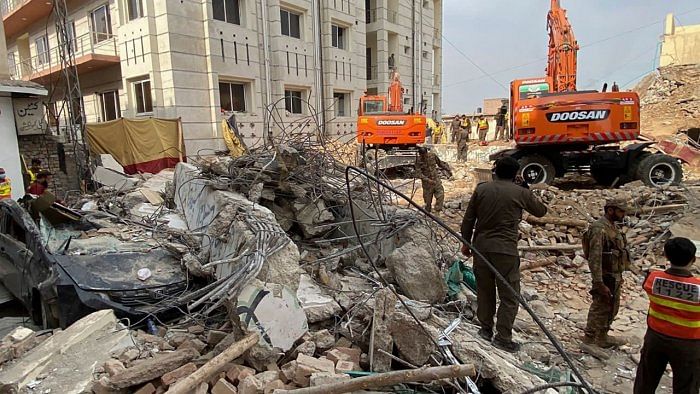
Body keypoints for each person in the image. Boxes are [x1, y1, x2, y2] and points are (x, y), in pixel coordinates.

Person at [461, 157, 547, 352]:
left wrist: (466, 243)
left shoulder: (481, 189)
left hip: (481, 248)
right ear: (515, 174)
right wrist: (526, 188)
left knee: (485, 290)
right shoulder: (520, 192)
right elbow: (541, 211)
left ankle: (485, 329)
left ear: (495, 171)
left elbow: (468, 219)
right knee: (509, 295)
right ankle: (503, 337)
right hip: (506, 251)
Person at [633, 237, 700, 394]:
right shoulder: (698, 287)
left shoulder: (653, 279)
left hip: (655, 338)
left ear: (667, 257)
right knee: (686, 386)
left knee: (646, 381)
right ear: (693, 259)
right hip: (688, 343)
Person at [583, 199, 633, 348]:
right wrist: (598, 282)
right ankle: (590, 339)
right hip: (605, 276)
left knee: (612, 307)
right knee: (600, 306)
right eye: (621, 211)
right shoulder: (599, 229)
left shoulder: (612, 227)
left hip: (614, 274)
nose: (623, 214)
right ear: (610, 210)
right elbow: (595, 257)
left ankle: (602, 336)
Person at [415, 146, 451, 213]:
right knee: (428, 201)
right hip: (427, 184)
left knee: (440, 195)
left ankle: (437, 211)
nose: (424, 156)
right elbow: (418, 174)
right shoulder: (418, 160)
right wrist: (428, 180)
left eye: (425, 154)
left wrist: (448, 169)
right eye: (422, 155)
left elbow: (440, 163)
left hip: (436, 180)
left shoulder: (432, 156)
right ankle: (427, 213)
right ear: (420, 154)